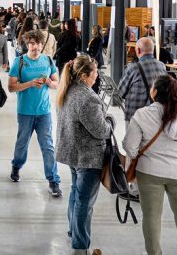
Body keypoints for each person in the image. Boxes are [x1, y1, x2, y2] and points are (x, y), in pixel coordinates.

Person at [123, 75, 177, 255]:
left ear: (155, 92)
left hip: (149, 172)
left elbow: (130, 146)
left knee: (151, 217)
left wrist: (138, 157)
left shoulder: (142, 115)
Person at [55, 55, 112, 255]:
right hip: (88, 157)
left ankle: (74, 231)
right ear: (84, 75)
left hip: (73, 153)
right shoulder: (87, 98)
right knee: (84, 202)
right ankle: (80, 246)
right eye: (95, 72)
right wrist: (110, 123)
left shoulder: (67, 90)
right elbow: (101, 131)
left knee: (76, 194)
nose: (97, 76)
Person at [8, 30, 62, 197]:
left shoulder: (48, 60)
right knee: (22, 144)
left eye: (38, 43)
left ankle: (53, 180)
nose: (36, 47)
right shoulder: (19, 62)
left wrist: (49, 83)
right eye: (32, 43)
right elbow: (11, 87)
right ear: (27, 44)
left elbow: (57, 83)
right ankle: (16, 166)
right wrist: (30, 83)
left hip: (44, 111)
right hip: (25, 111)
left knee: (48, 146)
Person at [117, 37, 167, 125]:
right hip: (156, 115)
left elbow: (121, 92)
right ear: (152, 50)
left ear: (138, 50)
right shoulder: (162, 66)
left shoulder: (133, 68)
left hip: (135, 115)